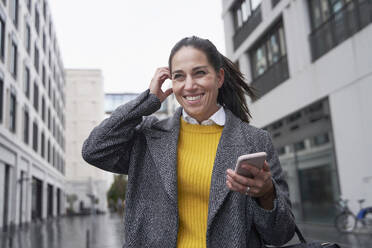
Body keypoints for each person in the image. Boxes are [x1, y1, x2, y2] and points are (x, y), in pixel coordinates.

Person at [82, 36, 295, 248]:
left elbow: (281, 234)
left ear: (219, 78)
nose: (190, 86)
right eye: (179, 77)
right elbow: (94, 150)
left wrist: (266, 194)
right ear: (170, 82)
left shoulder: (255, 141)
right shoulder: (148, 136)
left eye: (199, 73)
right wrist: (147, 101)